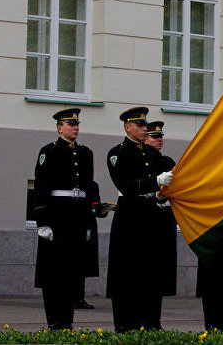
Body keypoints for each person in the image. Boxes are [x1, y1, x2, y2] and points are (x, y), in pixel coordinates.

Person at [106, 107, 176, 332]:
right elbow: (126, 186)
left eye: (145, 125)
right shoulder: (118, 153)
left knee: (151, 271)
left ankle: (150, 322)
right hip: (130, 215)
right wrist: (156, 182)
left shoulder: (152, 154)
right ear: (127, 127)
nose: (145, 128)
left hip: (151, 213)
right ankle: (126, 324)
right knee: (127, 271)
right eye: (140, 125)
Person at [32, 107, 95, 329]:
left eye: (77, 124)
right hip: (56, 217)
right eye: (70, 124)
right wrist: (43, 222)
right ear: (59, 127)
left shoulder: (86, 153)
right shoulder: (49, 151)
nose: (75, 127)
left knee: (71, 273)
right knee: (53, 274)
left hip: (77, 217)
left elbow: (88, 188)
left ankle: (67, 323)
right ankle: (54, 322)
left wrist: (88, 223)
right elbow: (41, 186)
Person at [142, 120, 178, 329]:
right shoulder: (141, 160)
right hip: (147, 217)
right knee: (146, 273)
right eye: (155, 137)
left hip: (164, 218)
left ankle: (155, 321)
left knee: (160, 274)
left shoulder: (167, 161)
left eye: (161, 136)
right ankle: (143, 320)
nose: (159, 140)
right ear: (145, 138)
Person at [75, 180, 101, 311]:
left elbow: (95, 208)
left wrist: (102, 210)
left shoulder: (92, 185)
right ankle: (72, 298)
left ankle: (79, 297)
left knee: (82, 266)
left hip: (89, 227)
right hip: (77, 227)